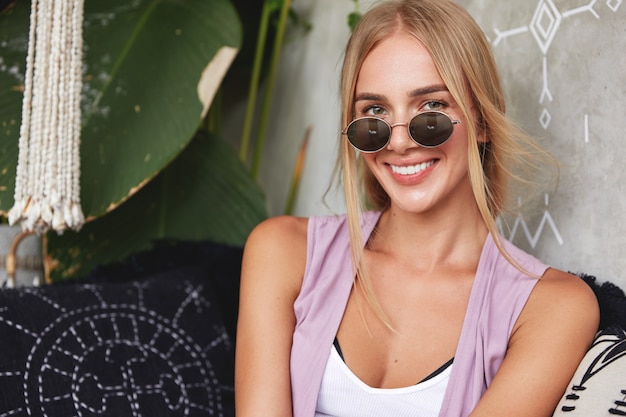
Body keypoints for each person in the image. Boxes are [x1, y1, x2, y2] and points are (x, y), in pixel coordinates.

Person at [234, 0, 599, 416]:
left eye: (432, 108)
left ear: (481, 120)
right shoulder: (282, 251)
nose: (400, 141)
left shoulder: (553, 308)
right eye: (374, 112)